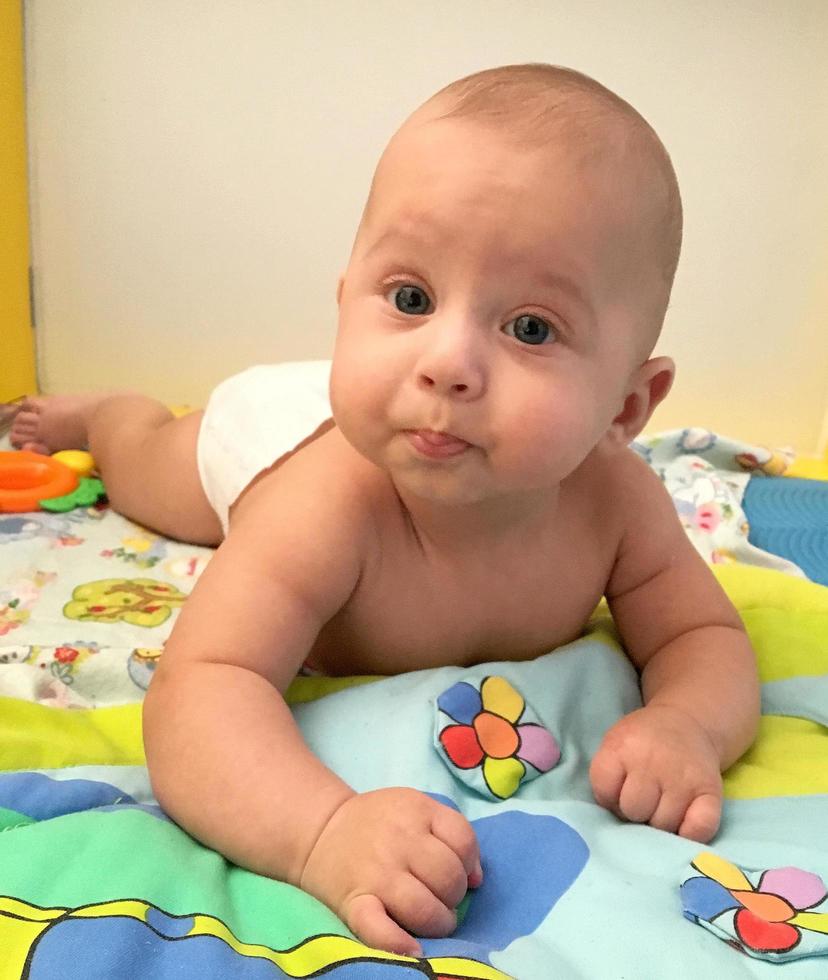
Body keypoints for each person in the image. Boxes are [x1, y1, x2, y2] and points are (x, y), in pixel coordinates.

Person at [9, 64, 760, 958]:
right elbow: (201, 687)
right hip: (265, 443)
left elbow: (701, 638)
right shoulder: (325, 508)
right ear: (345, 306)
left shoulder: (618, 504)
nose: (447, 360)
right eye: (410, 299)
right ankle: (108, 411)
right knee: (146, 466)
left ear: (629, 409)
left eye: (529, 328)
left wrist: (686, 722)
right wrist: (321, 831)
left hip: (366, 417)